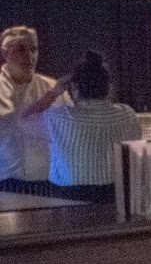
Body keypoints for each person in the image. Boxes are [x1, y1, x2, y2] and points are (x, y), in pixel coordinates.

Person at [43, 51, 142, 204]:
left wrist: (54, 93)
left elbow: (22, 121)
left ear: (74, 87)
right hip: (114, 195)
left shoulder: (56, 117)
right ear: (108, 87)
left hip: (67, 198)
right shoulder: (127, 114)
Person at [0, 25, 64, 195]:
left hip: (49, 184)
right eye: (20, 49)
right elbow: (14, 122)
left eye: (33, 49)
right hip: (5, 185)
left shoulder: (51, 87)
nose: (29, 56)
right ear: (5, 54)